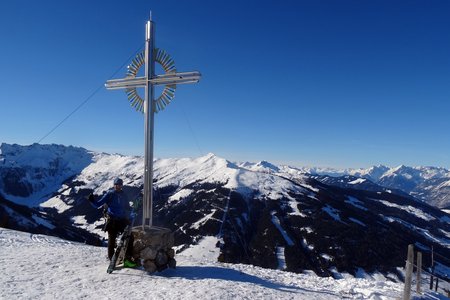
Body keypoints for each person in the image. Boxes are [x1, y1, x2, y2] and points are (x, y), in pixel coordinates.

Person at [89, 177, 137, 268]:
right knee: (112, 240)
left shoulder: (123, 195)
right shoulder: (110, 194)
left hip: (122, 219)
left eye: (120, 185)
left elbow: (126, 206)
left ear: (122, 185)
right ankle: (112, 259)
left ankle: (127, 258)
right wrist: (92, 200)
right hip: (112, 220)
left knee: (130, 237)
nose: (118, 186)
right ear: (114, 185)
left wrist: (133, 210)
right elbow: (98, 204)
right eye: (116, 185)